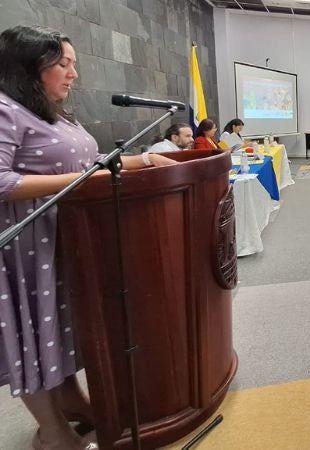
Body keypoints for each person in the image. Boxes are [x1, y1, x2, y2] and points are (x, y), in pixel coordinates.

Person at [0, 25, 177, 450]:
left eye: (73, 63)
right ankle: (53, 432)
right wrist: (83, 179)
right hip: (25, 249)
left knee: (60, 330)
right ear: (28, 67)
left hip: (67, 240)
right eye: (62, 63)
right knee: (33, 337)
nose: (73, 73)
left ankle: (73, 402)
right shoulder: (5, 108)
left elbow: (92, 161)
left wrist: (147, 159)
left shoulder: (50, 111)